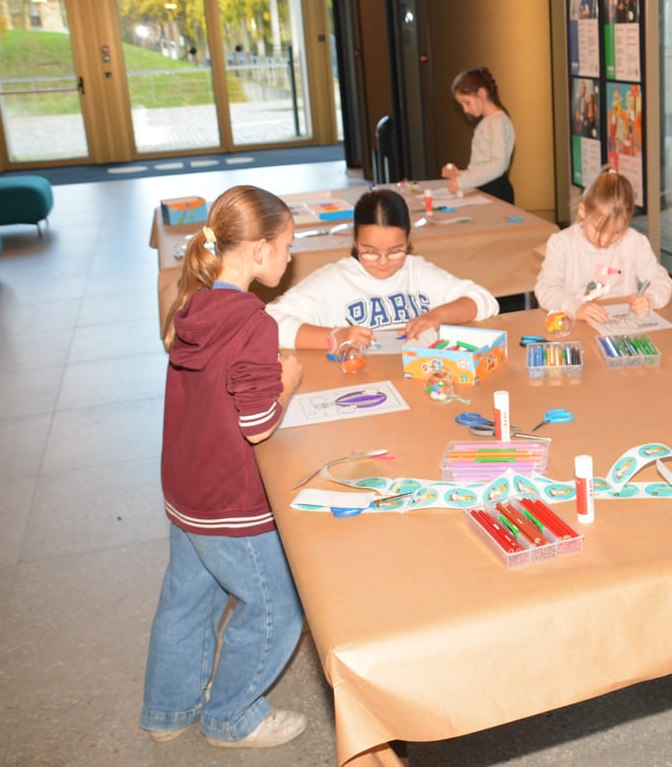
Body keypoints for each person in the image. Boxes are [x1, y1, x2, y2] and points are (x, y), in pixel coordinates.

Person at [143, 186, 307, 748]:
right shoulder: (254, 323)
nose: (291, 257)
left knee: (186, 598)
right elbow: (259, 423)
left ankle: (167, 711)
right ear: (259, 251)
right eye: (287, 245)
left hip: (185, 489)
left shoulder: (193, 304)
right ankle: (232, 716)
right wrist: (288, 381)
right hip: (230, 502)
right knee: (276, 603)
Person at [266, 188, 499, 353]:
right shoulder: (333, 280)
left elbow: (484, 300)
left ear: (408, 240)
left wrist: (436, 316)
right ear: (356, 241)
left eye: (396, 251)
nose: (383, 261)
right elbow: (267, 325)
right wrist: (333, 337)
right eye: (370, 251)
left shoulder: (416, 271)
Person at [535, 166, 672, 324]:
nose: (604, 241)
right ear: (583, 210)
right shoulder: (562, 243)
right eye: (598, 229)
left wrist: (650, 299)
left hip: (621, 327)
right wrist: (575, 307)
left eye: (616, 233)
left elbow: (662, 281)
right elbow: (545, 289)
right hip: (575, 325)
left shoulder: (635, 242)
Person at [441, 68, 516, 203]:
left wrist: (463, 181)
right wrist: (459, 175)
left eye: (467, 102)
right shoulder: (487, 122)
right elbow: (481, 167)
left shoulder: (498, 122)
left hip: (496, 191)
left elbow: (498, 165)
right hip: (487, 187)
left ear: (481, 93)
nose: (465, 109)